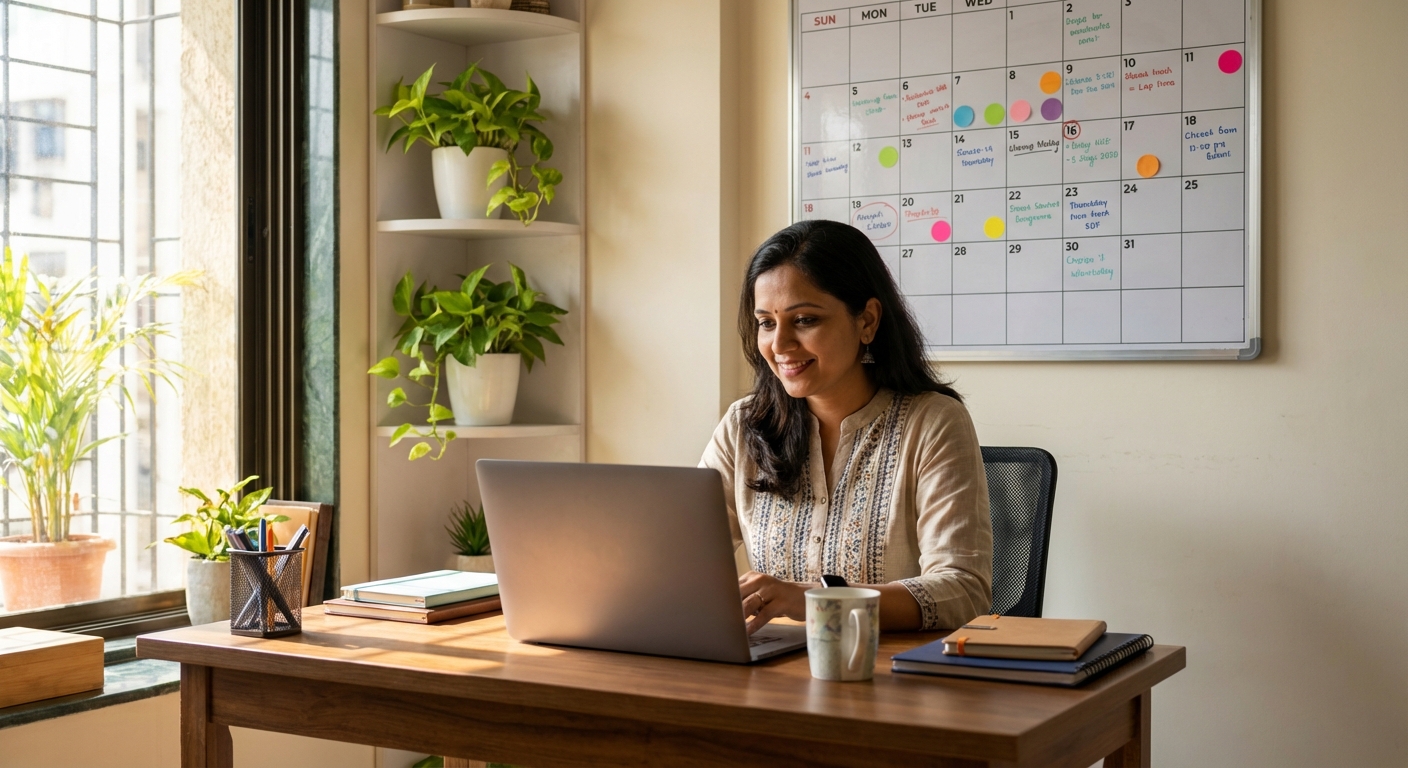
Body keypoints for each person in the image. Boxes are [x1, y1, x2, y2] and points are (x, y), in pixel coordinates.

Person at [700, 219, 993, 633]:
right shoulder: (742, 426)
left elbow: (963, 592)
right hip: (770, 674)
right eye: (766, 322)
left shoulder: (933, 422)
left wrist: (816, 600)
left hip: (890, 679)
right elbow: (681, 561)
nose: (780, 344)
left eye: (804, 320)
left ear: (867, 321)